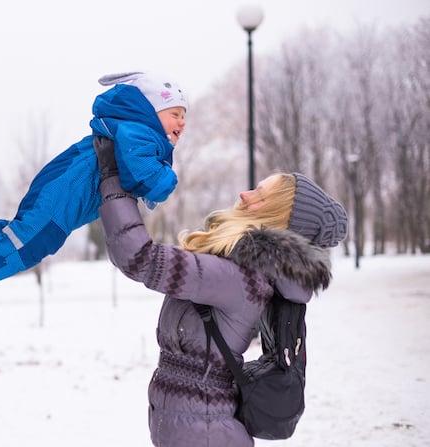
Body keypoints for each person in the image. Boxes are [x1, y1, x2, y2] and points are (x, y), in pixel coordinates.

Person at [92, 136, 347, 447]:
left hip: (207, 433)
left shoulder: (236, 278)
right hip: (201, 427)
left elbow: (140, 258)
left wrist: (112, 180)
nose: (244, 193)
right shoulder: (235, 266)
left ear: (277, 218)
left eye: (260, 194)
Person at [0, 72, 188, 313]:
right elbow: (149, 180)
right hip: (63, 192)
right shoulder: (139, 132)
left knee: (26, 232)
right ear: (148, 111)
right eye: (174, 114)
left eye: (184, 116)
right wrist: (169, 177)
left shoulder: (134, 131)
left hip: (63, 189)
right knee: (31, 242)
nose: (182, 122)